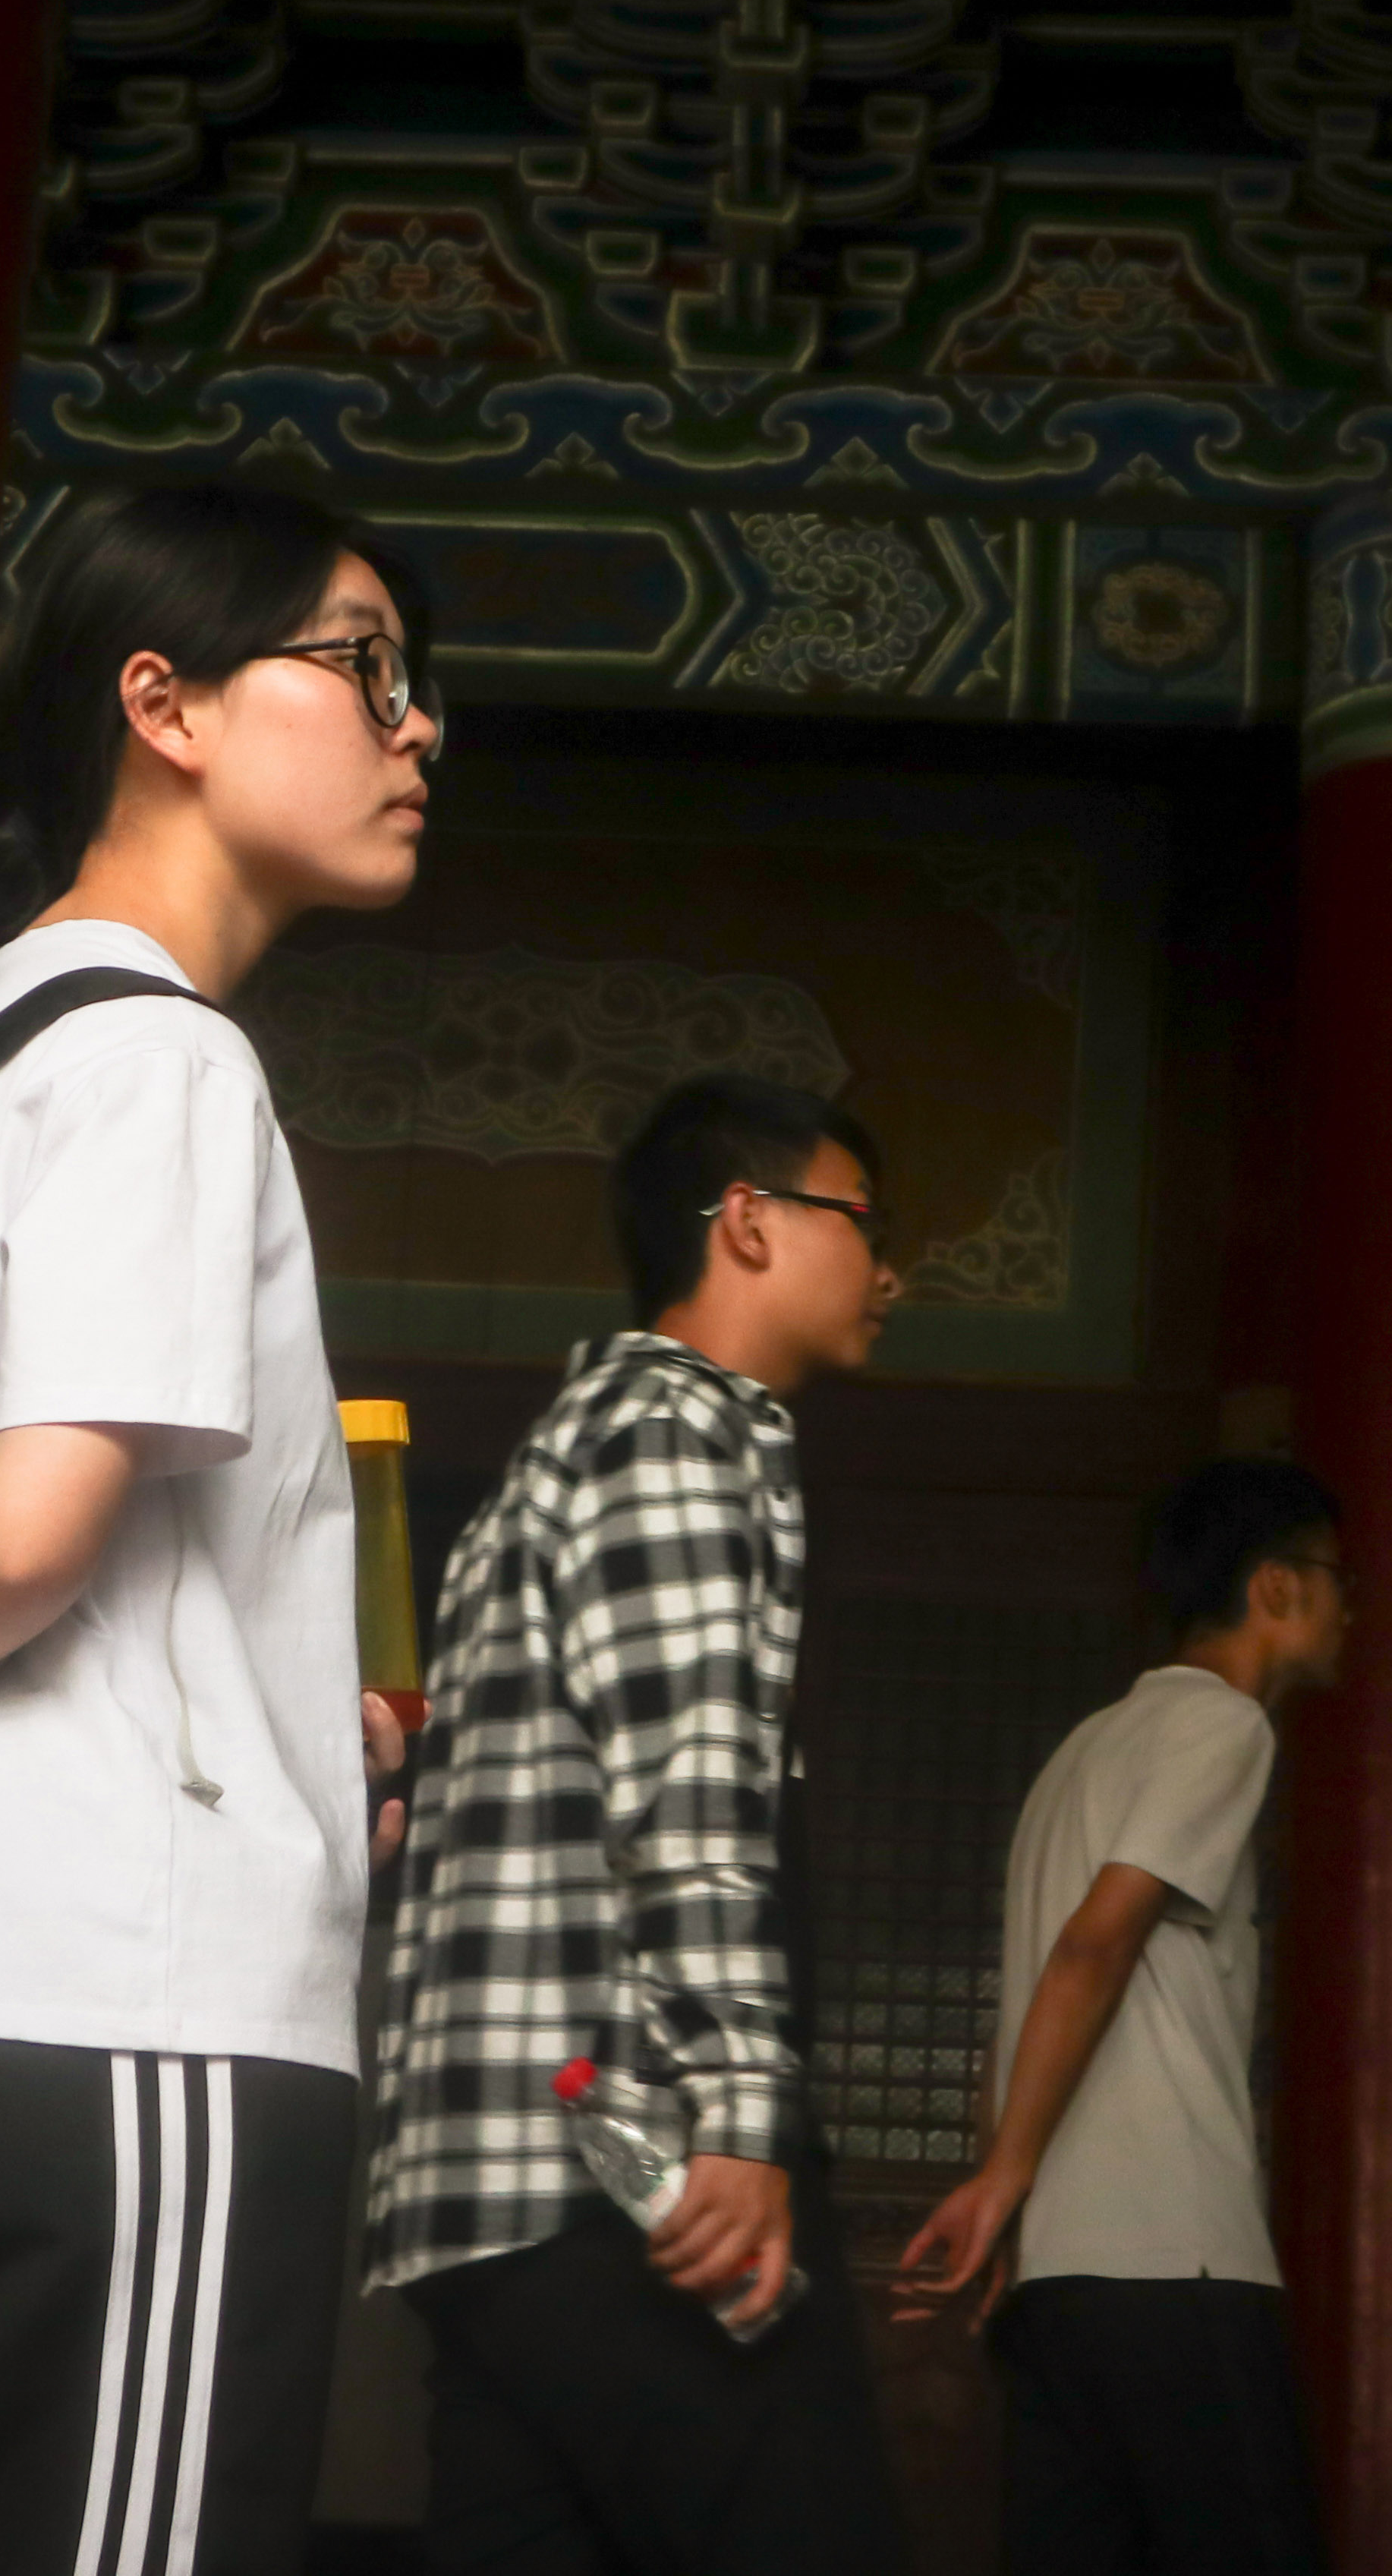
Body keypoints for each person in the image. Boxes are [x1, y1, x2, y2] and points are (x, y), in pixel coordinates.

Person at [0, 481, 438, 2576]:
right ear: (165, 703)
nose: (418, 725)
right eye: (363, 662)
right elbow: (33, 1535)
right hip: (110, 1998)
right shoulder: (157, 1054)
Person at [371, 1070, 912, 2575]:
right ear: (749, 1221)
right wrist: (739, 2108)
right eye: (864, 1221)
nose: (890, 1270)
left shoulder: (573, 1438)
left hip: (487, 2181)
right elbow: (692, 1788)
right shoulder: (677, 1427)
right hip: (625, 2169)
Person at [895, 1455, 1350, 2576]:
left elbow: (1025, 2001)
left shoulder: (1084, 1749)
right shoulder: (1224, 1727)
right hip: (1171, 2252)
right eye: (1341, 1579)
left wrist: (1011, 2197)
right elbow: (1094, 1946)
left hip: (1061, 2275)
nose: (1354, 1611)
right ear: (1278, 1584)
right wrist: (1001, 2181)